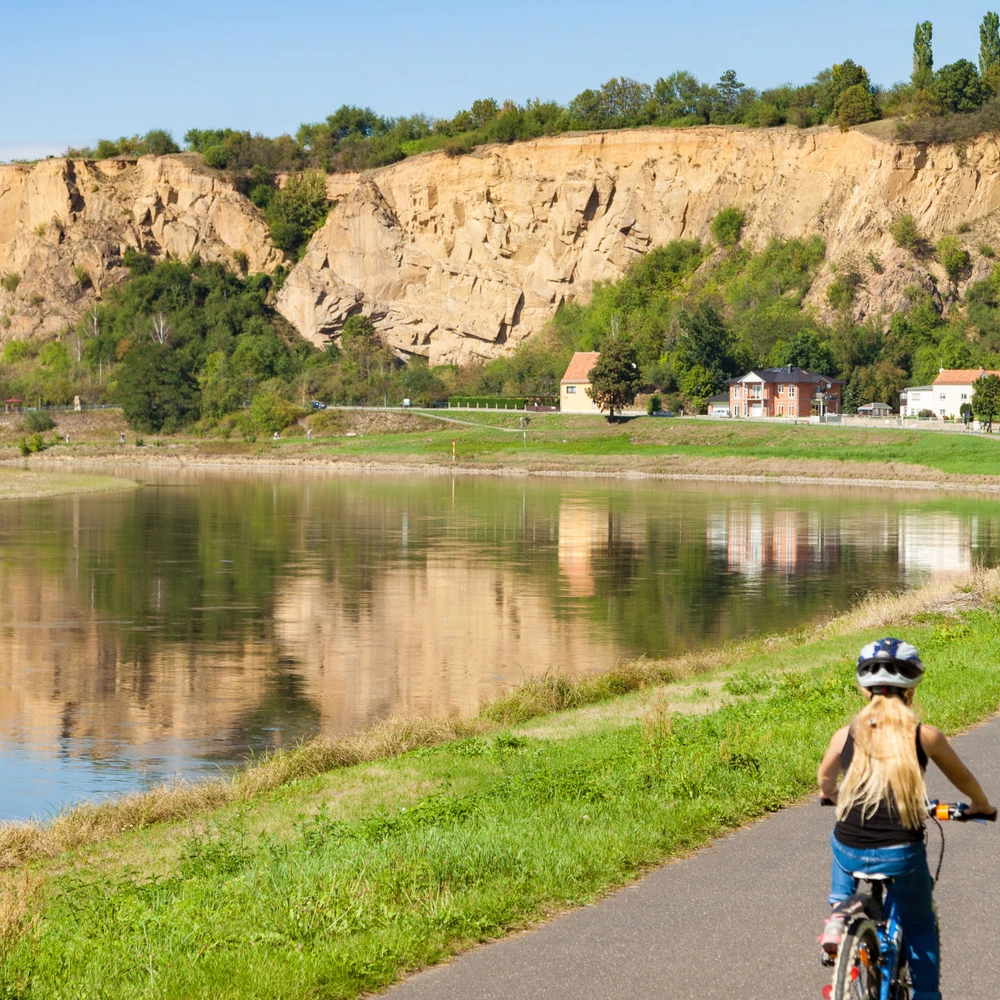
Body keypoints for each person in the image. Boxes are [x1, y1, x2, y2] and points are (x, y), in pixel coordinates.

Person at [817, 637, 995, 1000]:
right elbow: (963, 780)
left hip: (850, 844)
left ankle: (839, 912)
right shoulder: (925, 736)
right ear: (912, 691)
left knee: (842, 845)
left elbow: (824, 779)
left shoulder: (844, 735)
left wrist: (833, 797)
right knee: (919, 925)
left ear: (864, 690)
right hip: (901, 850)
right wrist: (981, 806)